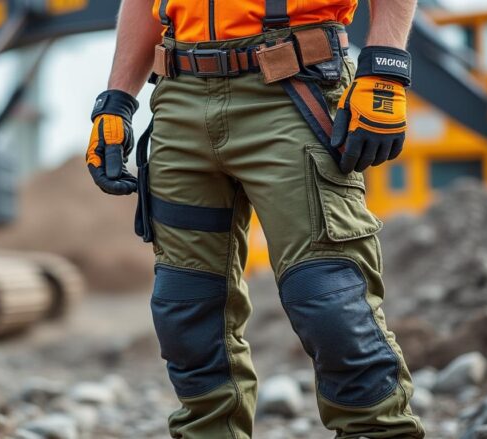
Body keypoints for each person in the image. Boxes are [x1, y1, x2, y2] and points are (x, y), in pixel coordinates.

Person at [85, 0, 424, 437]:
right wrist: (116, 101)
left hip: (292, 83)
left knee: (327, 296)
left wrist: (385, 67)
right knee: (185, 308)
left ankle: (377, 431)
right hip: (179, 98)